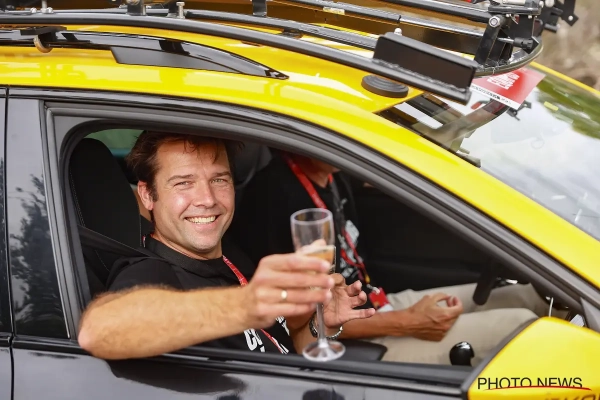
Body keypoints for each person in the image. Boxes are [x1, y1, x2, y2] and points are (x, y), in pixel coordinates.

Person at [230, 150, 555, 365]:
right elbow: (301, 321)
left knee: (527, 296)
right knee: (521, 325)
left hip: (375, 301)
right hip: (351, 338)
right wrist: (406, 322)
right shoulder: (274, 196)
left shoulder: (333, 173)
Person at [77, 132, 375, 360]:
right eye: (183, 183)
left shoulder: (231, 254)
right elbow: (99, 331)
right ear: (147, 195)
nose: (207, 199)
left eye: (219, 180)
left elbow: (282, 349)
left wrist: (320, 324)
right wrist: (246, 304)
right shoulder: (151, 272)